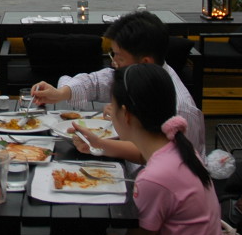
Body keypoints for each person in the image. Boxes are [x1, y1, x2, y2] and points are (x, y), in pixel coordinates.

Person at [16, 64, 224, 235]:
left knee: (73, 233)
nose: (109, 112)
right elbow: (144, 155)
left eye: (112, 106)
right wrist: (98, 143)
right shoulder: (179, 147)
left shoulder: (156, 179)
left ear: (125, 114)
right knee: (79, 231)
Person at [29, 10, 205, 162]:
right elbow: (96, 82)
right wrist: (60, 93)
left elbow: (169, 161)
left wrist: (102, 143)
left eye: (119, 58)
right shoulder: (137, 76)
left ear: (145, 62)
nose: (114, 64)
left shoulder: (179, 109)